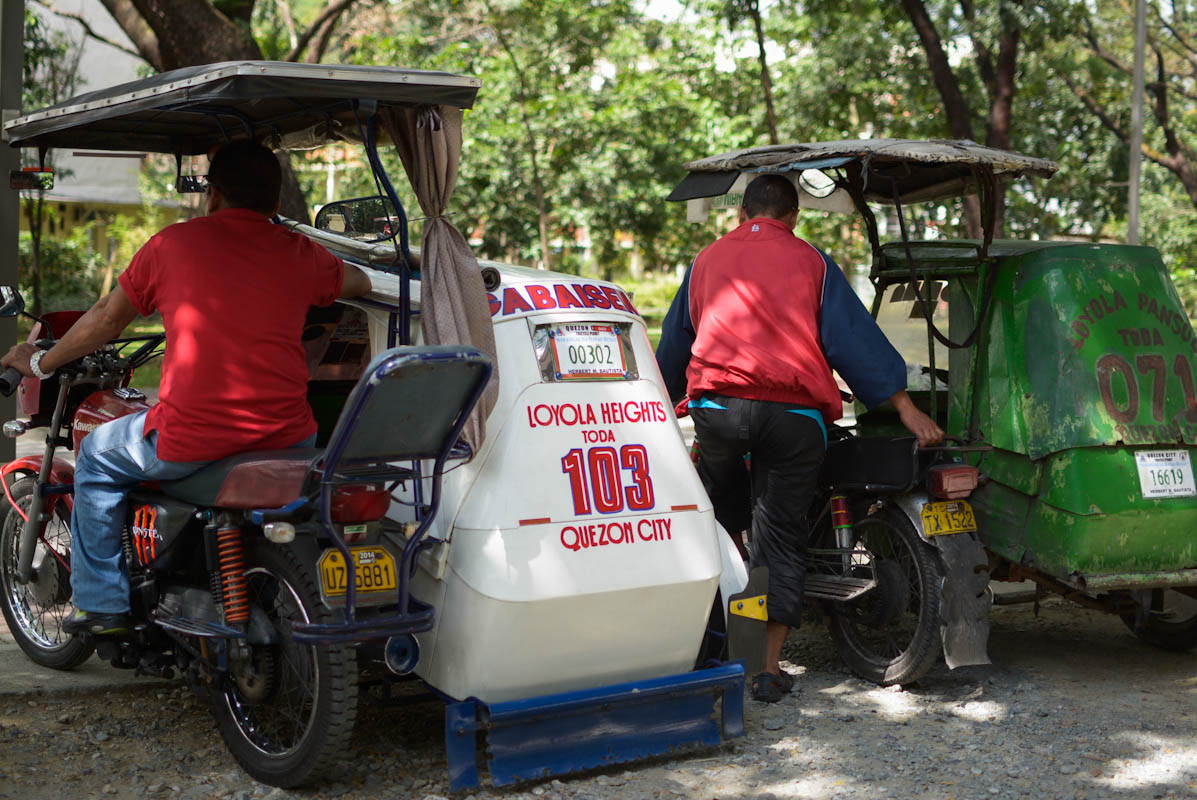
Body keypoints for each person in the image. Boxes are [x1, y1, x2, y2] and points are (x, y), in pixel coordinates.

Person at [1, 141, 372, 636]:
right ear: (276, 204)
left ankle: (101, 605)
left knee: (95, 456)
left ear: (213, 195)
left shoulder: (171, 246)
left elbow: (108, 319)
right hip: (290, 436)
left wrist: (43, 361)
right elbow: (361, 283)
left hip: (194, 441)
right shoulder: (300, 254)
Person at [655, 174, 943, 703]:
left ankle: (719, 624)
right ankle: (767, 670)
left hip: (717, 411)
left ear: (742, 214)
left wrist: (649, 410)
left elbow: (674, 347)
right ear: (793, 217)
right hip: (792, 419)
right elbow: (853, 341)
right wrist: (905, 407)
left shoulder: (706, 261)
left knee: (718, 517)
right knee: (780, 535)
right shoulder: (812, 261)